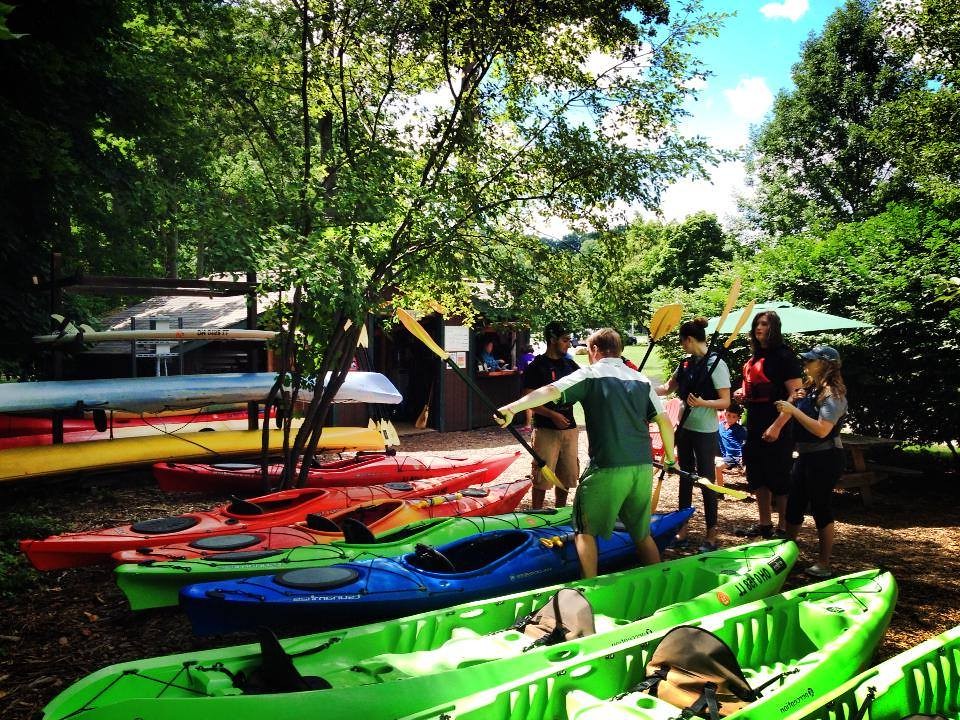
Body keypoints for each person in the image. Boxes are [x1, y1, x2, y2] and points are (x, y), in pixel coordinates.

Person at [496, 328, 677, 578]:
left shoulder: (590, 374)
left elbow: (549, 391)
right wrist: (669, 457)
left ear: (593, 350)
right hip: (642, 466)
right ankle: (660, 580)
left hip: (607, 467)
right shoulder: (641, 380)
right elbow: (665, 422)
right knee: (641, 533)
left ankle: (588, 586)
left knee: (584, 530)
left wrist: (510, 408)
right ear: (620, 350)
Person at [655, 318, 731, 553]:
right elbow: (668, 388)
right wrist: (640, 385)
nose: (682, 347)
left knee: (706, 480)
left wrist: (703, 402)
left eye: (682, 342)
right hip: (685, 428)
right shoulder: (686, 363)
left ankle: (711, 533)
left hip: (705, 432)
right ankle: (683, 529)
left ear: (688, 339)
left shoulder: (716, 364)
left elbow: (726, 401)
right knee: (685, 479)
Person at [775, 345, 848, 578]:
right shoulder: (812, 388)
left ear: (825, 365)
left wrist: (793, 411)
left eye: (811, 361)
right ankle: (786, 555)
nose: (805, 364)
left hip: (826, 457)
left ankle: (824, 563)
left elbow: (821, 430)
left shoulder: (834, 395)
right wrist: (796, 401)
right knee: (794, 504)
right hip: (807, 456)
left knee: (820, 507)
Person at [733, 311, 803, 539]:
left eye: (764, 324)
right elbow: (755, 390)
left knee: (779, 479)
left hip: (778, 426)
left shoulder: (784, 357)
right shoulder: (754, 358)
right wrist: (742, 396)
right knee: (758, 477)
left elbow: (797, 395)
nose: (758, 327)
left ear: (774, 328)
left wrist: (777, 426)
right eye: (756, 324)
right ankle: (765, 527)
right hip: (754, 425)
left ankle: (783, 529)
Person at [519, 322, 581, 508]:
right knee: (542, 476)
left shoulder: (570, 365)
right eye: (564, 340)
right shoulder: (537, 366)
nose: (568, 344)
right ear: (552, 340)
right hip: (546, 430)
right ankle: (536, 513)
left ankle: (560, 513)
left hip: (570, 430)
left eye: (569, 340)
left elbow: (586, 386)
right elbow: (527, 398)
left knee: (567, 475)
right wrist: (552, 415)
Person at [716, 403, 747, 481]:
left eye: (734, 417)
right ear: (725, 414)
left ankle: (720, 490)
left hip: (735, 456)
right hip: (726, 456)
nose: (730, 418)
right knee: (711, 463)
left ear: (738, 418)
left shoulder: (739, 429)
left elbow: (748, 440)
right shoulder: (720, 426)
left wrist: (744, 456)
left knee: (718, 467)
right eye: (729, 415)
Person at [516, 344, 536, 432]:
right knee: (536, 402)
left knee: (527, 403)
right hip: (538, 383)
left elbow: (520, 371)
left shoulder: (522, 357)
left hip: (528, 383)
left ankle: (528, 426)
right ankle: (535, 424)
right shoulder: (535, 358)